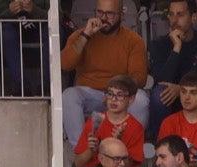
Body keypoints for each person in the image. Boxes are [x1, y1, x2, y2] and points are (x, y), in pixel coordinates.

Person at [60, 0, 152, 138]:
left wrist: (114, 92)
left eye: (110, 14)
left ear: (122, 15)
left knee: (141, 99)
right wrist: (86, 35)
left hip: (120, 94)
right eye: (100, 12)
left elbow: (139, 78)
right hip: (90, 94)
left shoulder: (133, 40)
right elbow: (65, 65)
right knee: (69, 95)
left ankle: (126, 150)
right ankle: (81, 152)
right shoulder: (80, 35)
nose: (103, 18)